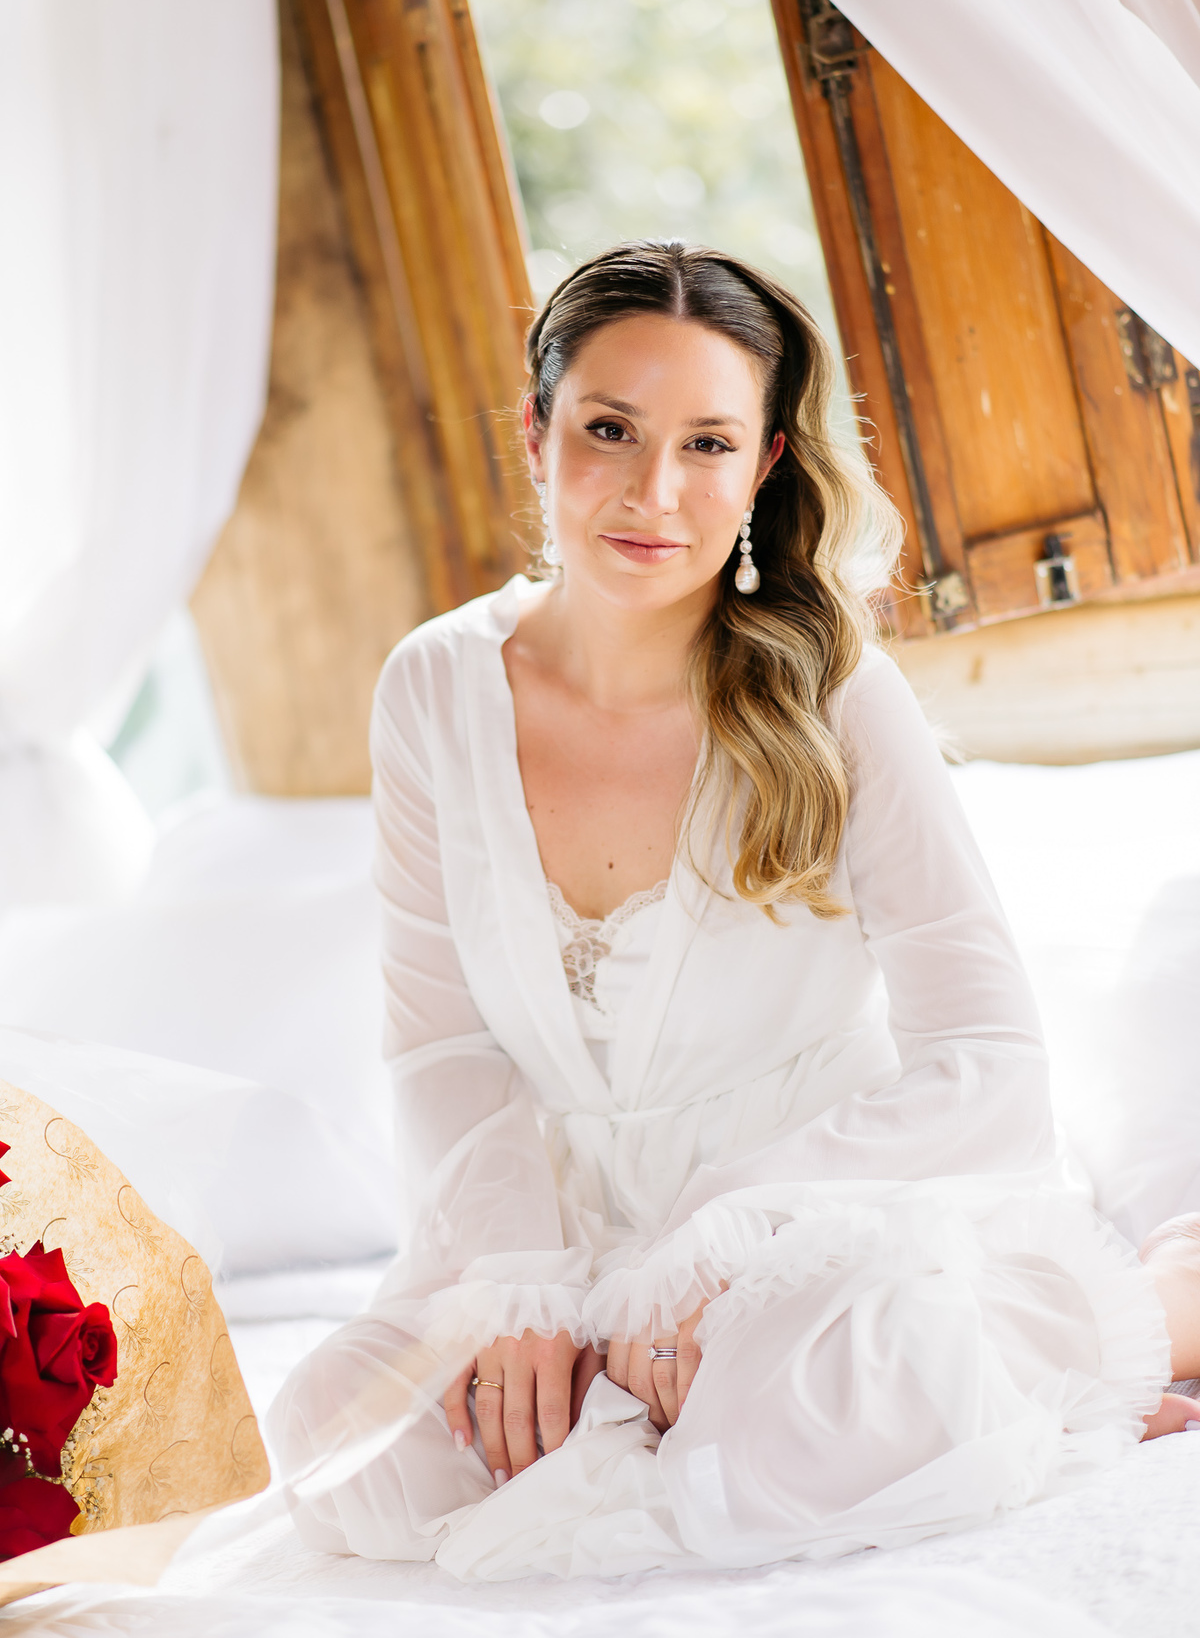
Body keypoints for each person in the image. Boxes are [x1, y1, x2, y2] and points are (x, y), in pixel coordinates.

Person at [270, 241, 1199, 1579]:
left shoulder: (837, 695)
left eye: (706, 444)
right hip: (559, 1227)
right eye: (610, 430)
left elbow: (991, 1062)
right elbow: (443, 1042)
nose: (654, 492)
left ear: (762, 466)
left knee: (814, 1400)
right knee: (348, 1448)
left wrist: (726, 1227)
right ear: (536, 432)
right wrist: (523, 1282)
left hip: (805, 1216)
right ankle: (810, 1385)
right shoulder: (432, 687)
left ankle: (1146, 1308)